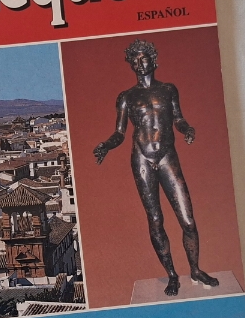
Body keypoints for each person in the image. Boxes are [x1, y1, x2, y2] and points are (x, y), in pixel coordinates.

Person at [93, 39, 218, 296]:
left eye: (144, 58)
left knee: (188, 220)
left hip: (167, 156)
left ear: (153, 59)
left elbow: (178, 118)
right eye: (134, 60)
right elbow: (119, 132)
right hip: (142, 158)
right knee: (156, 219)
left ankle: (195, 269)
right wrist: (106, 145)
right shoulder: (126, 97)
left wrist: (187, 129)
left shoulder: (168, 90)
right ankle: (172, 274)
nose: (139, 63)